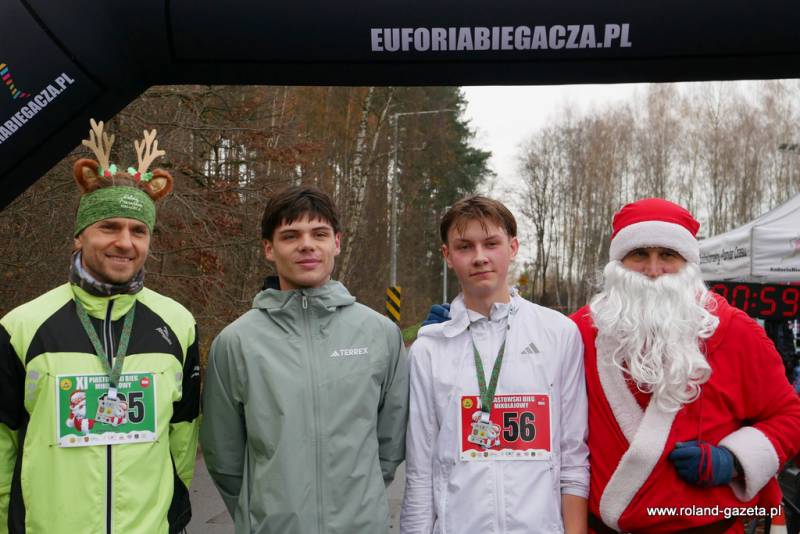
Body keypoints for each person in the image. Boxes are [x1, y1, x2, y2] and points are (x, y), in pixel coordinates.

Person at [0, 119, 201, 533]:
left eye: (138, 231)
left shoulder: (178, 324)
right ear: (79, 235)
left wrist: (172, 517)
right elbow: (4, 441)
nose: (124, 242)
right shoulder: (23, 326)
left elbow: (183, 436)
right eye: (109, 226)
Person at [571, 198, 800, 533]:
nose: (653, 270)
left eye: (667, 255)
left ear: (688, 262)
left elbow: (790, 416)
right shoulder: (577, 332)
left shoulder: (736, 331)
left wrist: (734, 460)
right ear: (618, 263)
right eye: (639, 254)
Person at [200, 185, 408, 534]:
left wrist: (359, 501)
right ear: (269, 248)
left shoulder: (381, 334)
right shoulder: (235, 342)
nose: (307, 245)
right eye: (291, 235)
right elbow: (224, 456)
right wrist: (260, 515)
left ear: (336, 243)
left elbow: (391, 442)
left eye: (319, 234)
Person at [401, 195, 589, 533]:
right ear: (447, 255)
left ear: (513, 247)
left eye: (491, 243)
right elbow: (420, 471)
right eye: (464, 247)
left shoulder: (559, 334)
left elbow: (573, 458)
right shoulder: (428, 350)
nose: (479, 257)